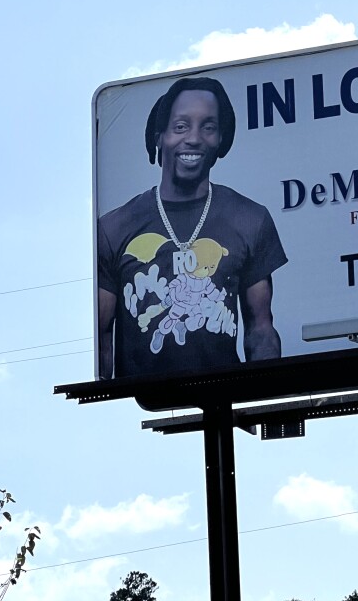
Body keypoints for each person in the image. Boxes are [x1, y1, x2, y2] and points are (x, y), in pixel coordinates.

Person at [97, 76, 287, 379]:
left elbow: (260, 328)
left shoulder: (250, 219)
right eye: (181, 126)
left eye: (208, 127)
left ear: (221, 140)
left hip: (226, 401)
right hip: (139, 406)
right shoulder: (114, 227)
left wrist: (267, 402)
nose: (194, 138)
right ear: (159, 136)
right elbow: (102, 338)